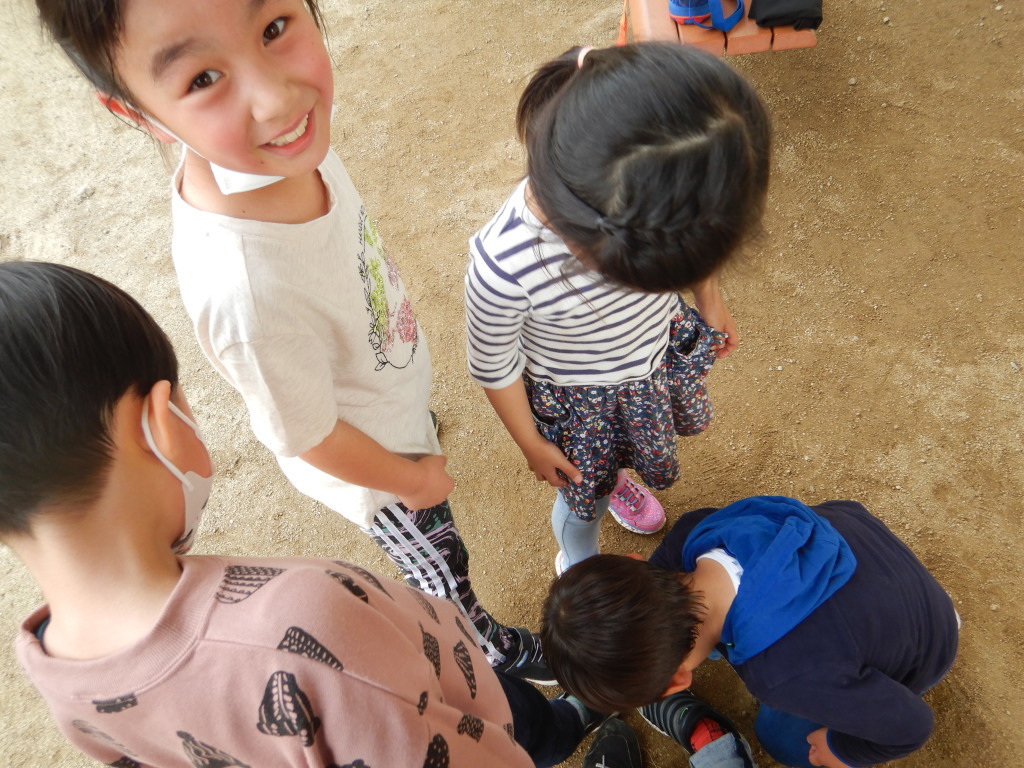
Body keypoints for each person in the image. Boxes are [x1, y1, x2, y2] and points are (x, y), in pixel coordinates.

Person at [33, 0, 546, 680]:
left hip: (381, 396)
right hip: (378, 479)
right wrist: (413, 479)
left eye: (274, 28)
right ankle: (483, 646)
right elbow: (307, 434)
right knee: (440, 568)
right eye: (202, 78)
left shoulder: (285, 150)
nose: (276, 99)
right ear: (136, 112)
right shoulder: (246, 292)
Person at [0, 260, 603, 768]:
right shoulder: (309, 616)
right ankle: (562, 729)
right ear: (161, 425)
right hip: (463, 707)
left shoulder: (58, 678)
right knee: (526, 726)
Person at [464, 43, 771, 573]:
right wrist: (531, 443)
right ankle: (579, 558)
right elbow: (495, 366)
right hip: (581, 401)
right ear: (597, 239)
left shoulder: (651, 180)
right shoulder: (503, 267)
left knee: (614, 455)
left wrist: (708, 295)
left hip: (645, 368)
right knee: (583, 492)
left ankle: (615, 474)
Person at [540, 496, 961, 768]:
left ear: (677, 682)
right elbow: (662, 568)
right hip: (866, 551)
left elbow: (911, 727)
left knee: (781, 738)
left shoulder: (782, 676)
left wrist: (842, 750)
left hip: (928, 642)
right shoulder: (697, 532)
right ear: (634, 560)